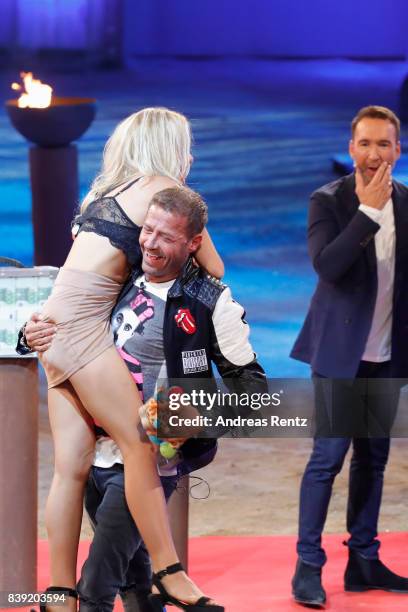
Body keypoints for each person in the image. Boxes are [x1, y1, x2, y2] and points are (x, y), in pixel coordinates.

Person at [19, 107, 226, 612]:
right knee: (140, 446)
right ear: (170, 149)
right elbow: (213, 268)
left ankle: (59, 591)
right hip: (82, 334)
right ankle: (170, 571)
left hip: (53, 335)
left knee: (70, 468)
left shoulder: (100, 196)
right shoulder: (159, 190)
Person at [290, 105, 408, 607]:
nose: (374, 154)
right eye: (365, 144)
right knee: (328, 458)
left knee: (373, 459)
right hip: (339, 357)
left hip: (386, 356)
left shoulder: (407, 202)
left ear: (398, 149)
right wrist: (366, 212)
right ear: (351, 146)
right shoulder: (330, 201)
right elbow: (328, 267)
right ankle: (307, 566)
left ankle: (363, 559)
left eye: (384, 144)